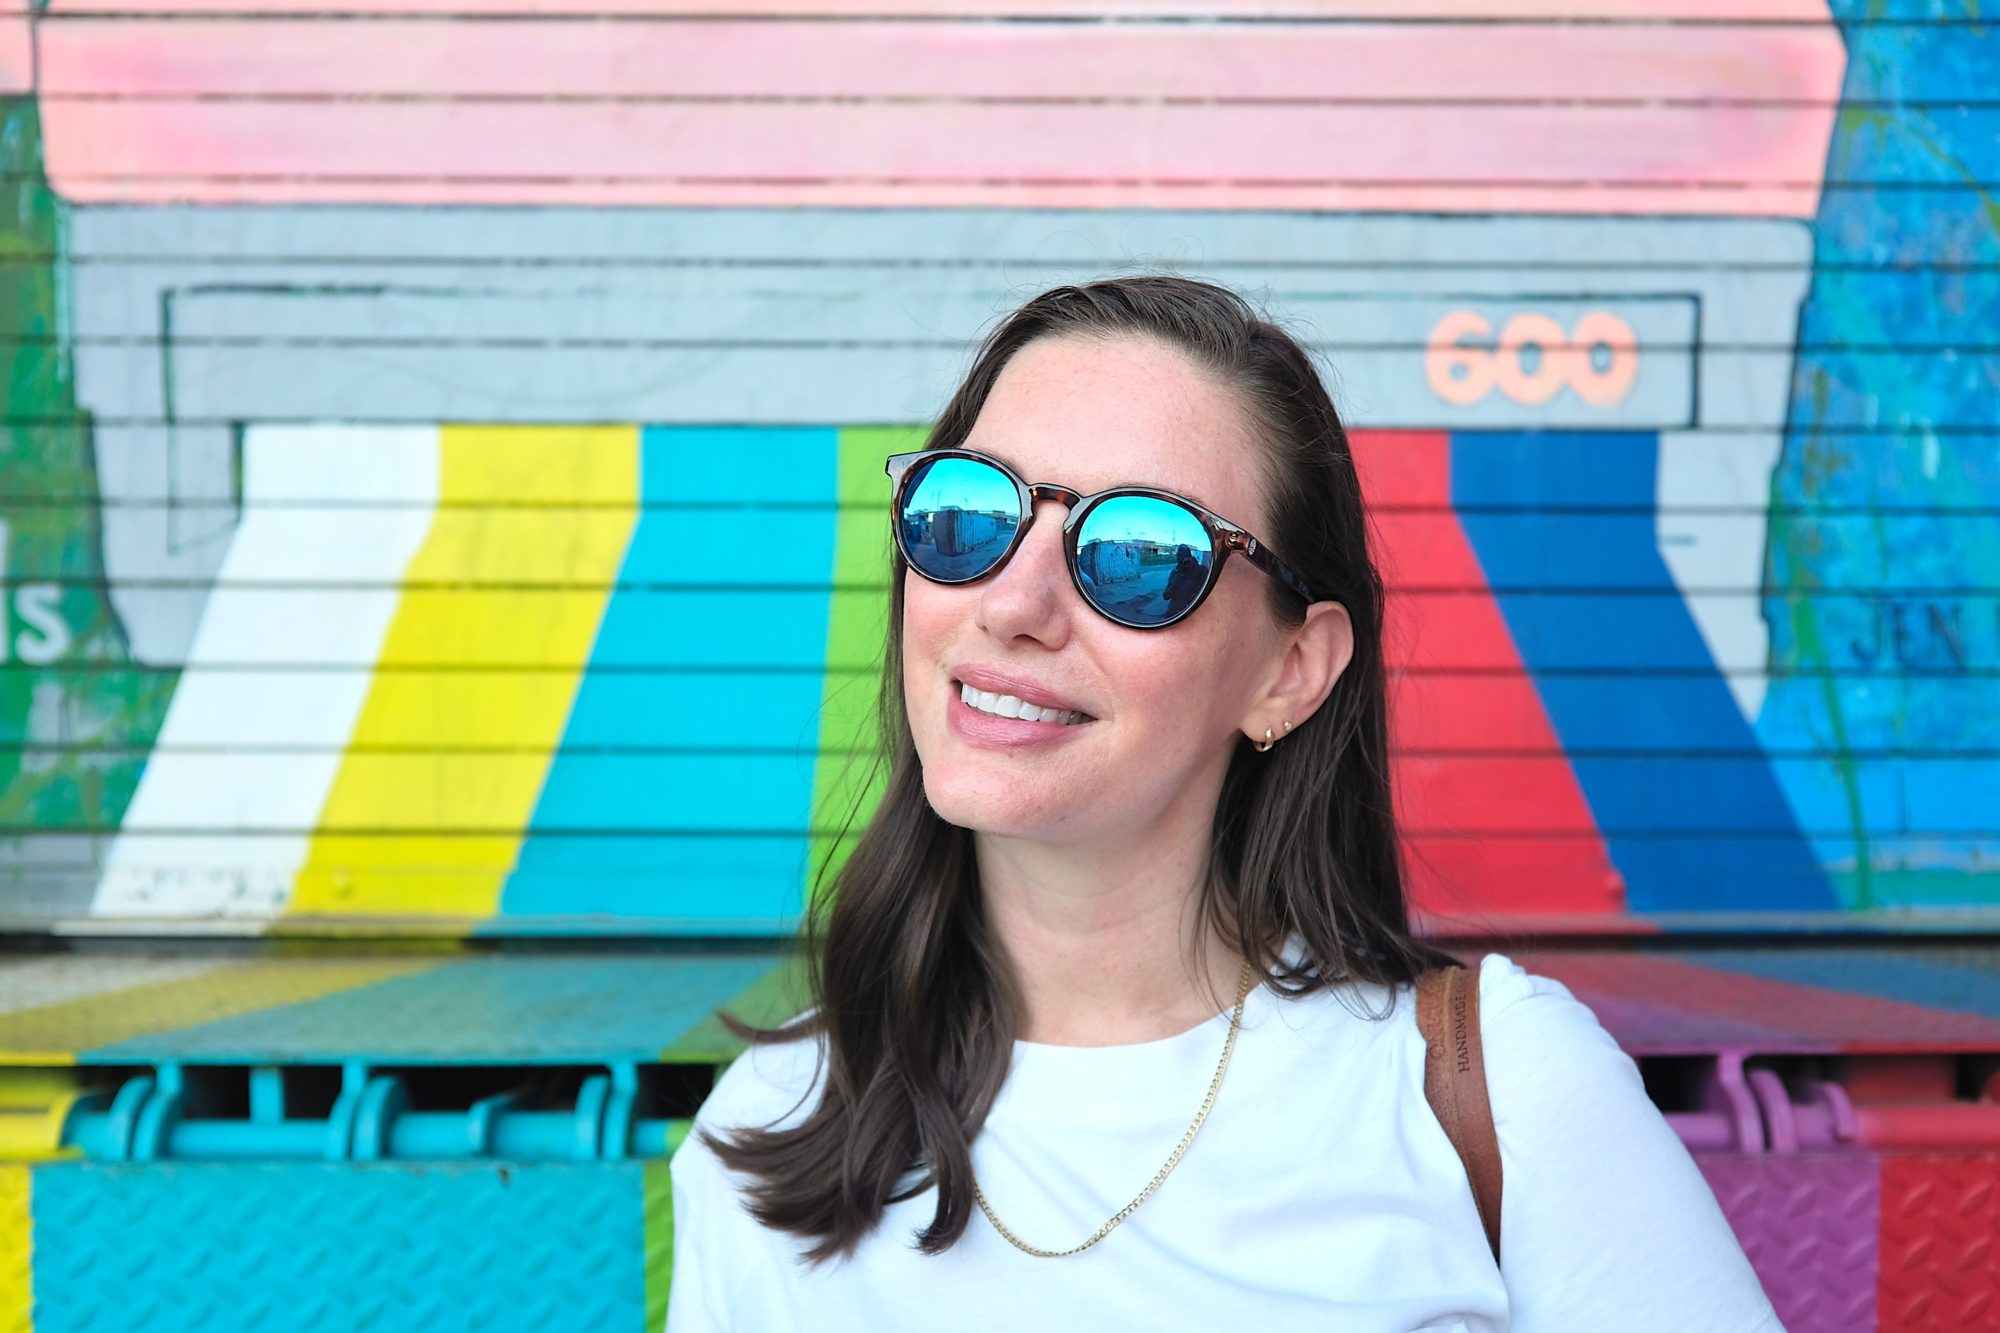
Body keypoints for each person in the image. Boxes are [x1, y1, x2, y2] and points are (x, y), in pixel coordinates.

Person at [665, 277, 1784, 1332]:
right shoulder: (763, 1130)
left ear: (1288, 670)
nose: (1012, 604)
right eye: (968, 511)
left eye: (1138, 553)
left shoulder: (1500, 1093)